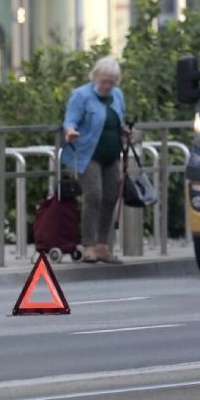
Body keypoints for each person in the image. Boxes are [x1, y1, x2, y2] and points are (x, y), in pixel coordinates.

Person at [63, 57, 128, 265]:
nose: (107, 86)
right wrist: (70, 131)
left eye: (111, 81)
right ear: (95, 77)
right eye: (104, 81)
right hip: (88, 154)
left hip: (112, 154)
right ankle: (88, 245)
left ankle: (102, 245)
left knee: (110, 197)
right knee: (94, 196)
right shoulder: (81, 95)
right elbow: (70, 120)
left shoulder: (117, 96)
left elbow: (119, 119)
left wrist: (125, 131)